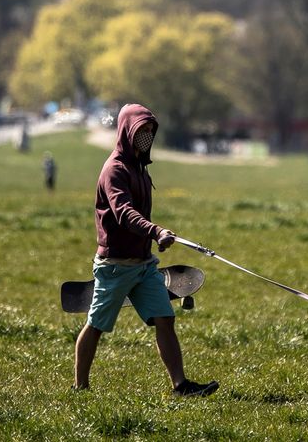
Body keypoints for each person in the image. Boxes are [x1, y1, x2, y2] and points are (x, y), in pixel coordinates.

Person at [73, 103, 218, 397]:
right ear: (127, 131)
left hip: (143, 265)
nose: (147, 136)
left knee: (165, 318)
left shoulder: (139, 168)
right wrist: (156, 231)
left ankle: (181, 386)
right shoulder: (115, 170)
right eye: (141, 130)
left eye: (150, 131)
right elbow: (124, 213)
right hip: (115, 266)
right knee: (96, 324)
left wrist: (155, 238)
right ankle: (80, 387)